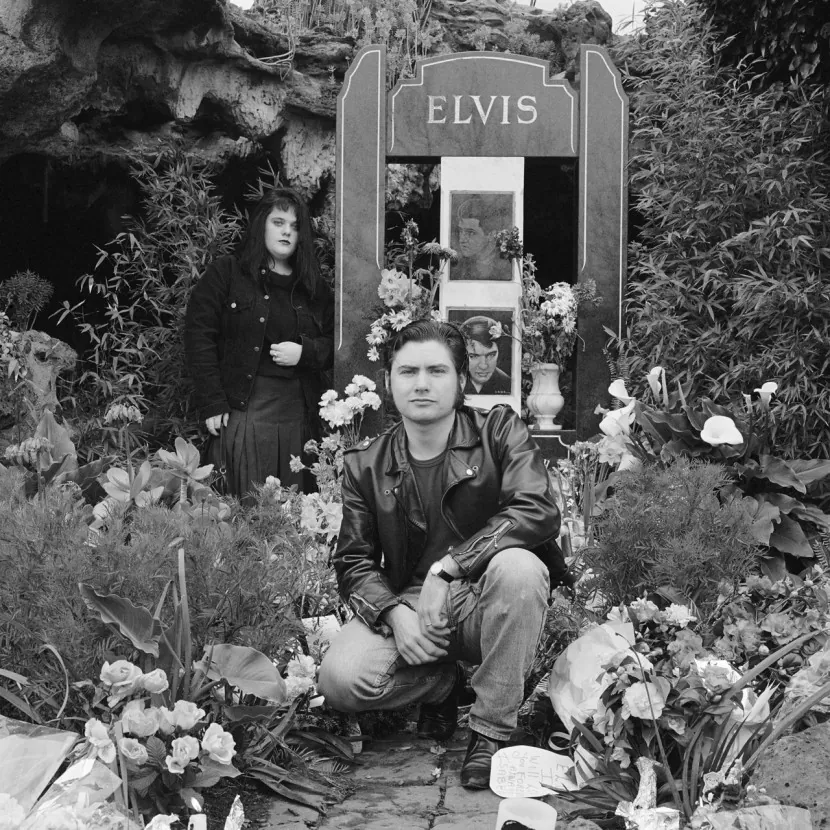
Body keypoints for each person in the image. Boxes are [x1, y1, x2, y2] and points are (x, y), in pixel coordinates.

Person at [317, 319, 571, 789]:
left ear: (460, 380)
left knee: (520, 568)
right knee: (339, 677)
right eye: (407, 371)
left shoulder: (498, 431)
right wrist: (395, 615)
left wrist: (448, 569)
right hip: (414, 609)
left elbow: (536, 510)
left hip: (485, 598)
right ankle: (445, 684)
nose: (421, 383)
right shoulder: (366, 465)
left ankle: (489, 730)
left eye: (436, 370)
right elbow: (353, 561)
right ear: (389, 381)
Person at [184, 188, 334, 501]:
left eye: (294, 227)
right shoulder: (227, 273)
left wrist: (305, 352)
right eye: (278, 222)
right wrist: (211, 401)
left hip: (297, 417)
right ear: (261, 226)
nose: (286, 231)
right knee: (242, 509)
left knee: (296, 513)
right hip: (245, 411)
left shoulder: (312, 287)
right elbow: (200, 335)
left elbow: (338, 344)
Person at [451, 196, 511, 281]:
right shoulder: (459, 267)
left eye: (471, 233)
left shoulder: (505, 270)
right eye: (461, 231)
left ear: (491, 235)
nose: (462, 240)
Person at [460, 315, 511, 395]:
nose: (483, 366)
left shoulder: (508, 384)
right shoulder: (452, 381)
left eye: (491, 355)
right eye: (473, 356)